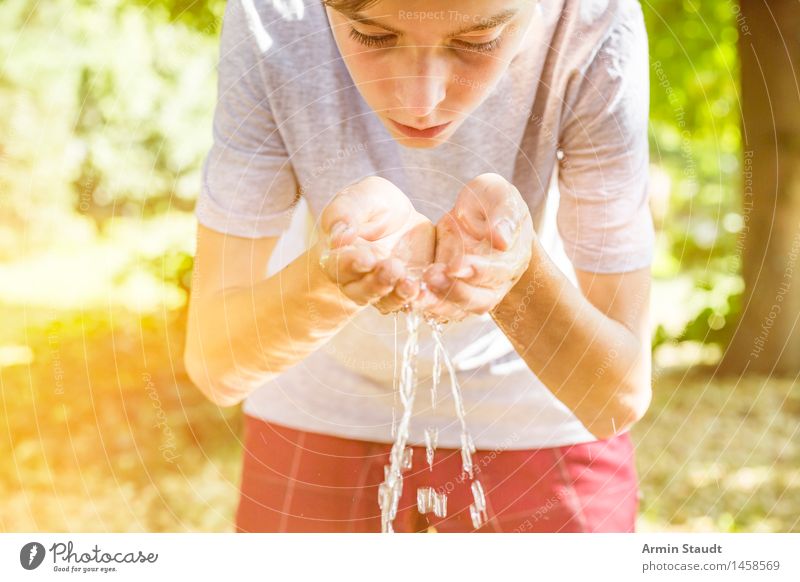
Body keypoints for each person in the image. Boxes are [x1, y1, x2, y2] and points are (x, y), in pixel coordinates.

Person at [184, 0, 655, 533]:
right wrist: (336, 276)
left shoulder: (592, 19)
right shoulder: (273, 16)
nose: (421, 100)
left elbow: (618, 394)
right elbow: (217, 363)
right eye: (372, 35)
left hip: (537, 413)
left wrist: (517, 279)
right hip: (320, 408)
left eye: (477, 42)